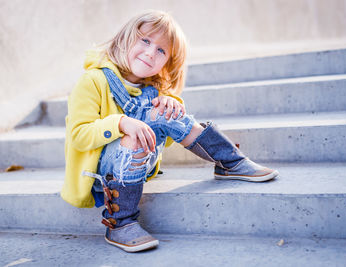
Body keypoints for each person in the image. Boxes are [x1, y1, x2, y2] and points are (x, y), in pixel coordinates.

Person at [61, 10, 279, 253]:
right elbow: (79, 135)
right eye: (145, 40)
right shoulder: (92, 81)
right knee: (132, 134)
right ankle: (120, 223)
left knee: (165, 112)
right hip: (105, 175)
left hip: (139, 162)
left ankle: (229, 162)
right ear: (125, 37)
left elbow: (163, 132)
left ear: (167, 62)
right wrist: (120, 123)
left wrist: (173, 104)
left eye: (161, 51)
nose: (150, 52)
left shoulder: (152, 88)